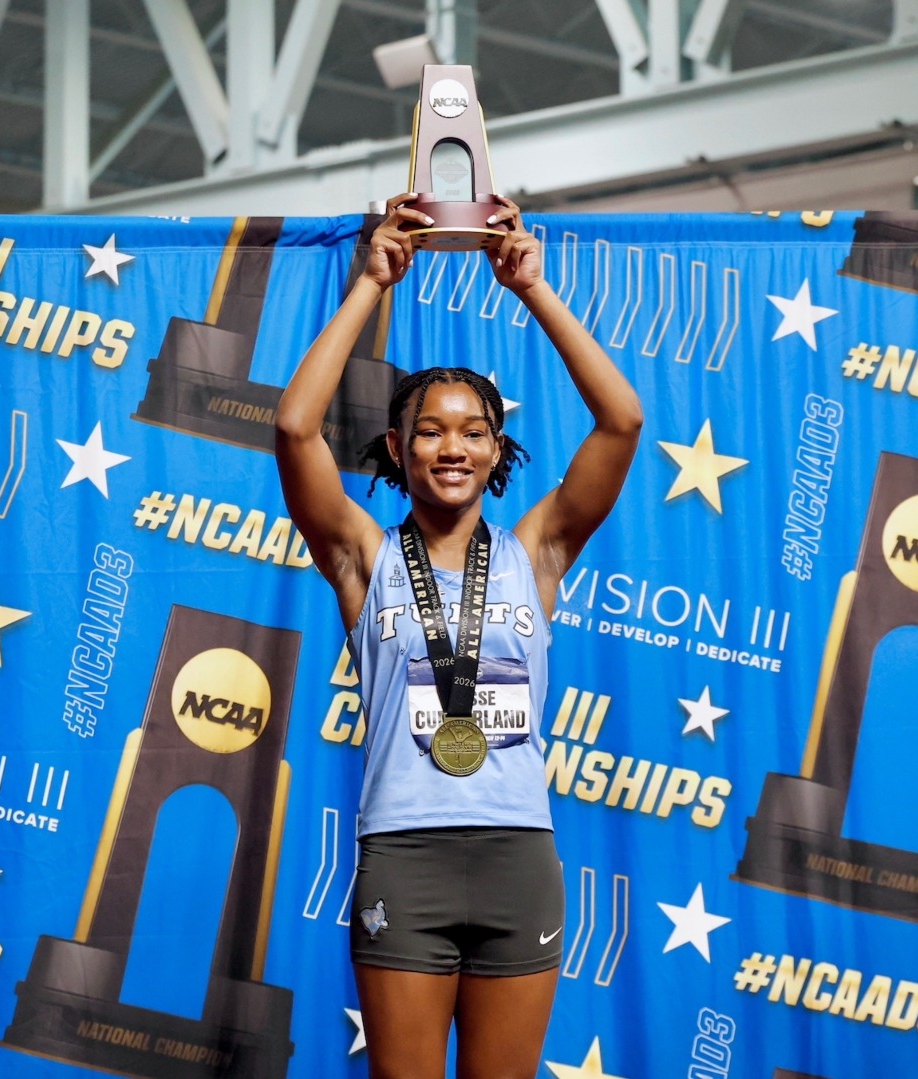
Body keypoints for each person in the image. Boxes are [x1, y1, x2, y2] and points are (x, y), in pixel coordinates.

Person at [275, 195, 642, 1079]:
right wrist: (370, 281)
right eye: (429, 430)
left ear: (497, 449)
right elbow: (293, 427)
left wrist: (533, 289)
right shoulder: (364, 557)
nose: (453, 446)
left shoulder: (538, 551)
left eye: (473, 431)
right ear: (397, 449)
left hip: (519, 853)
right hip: (405, 856)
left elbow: (622, 421)